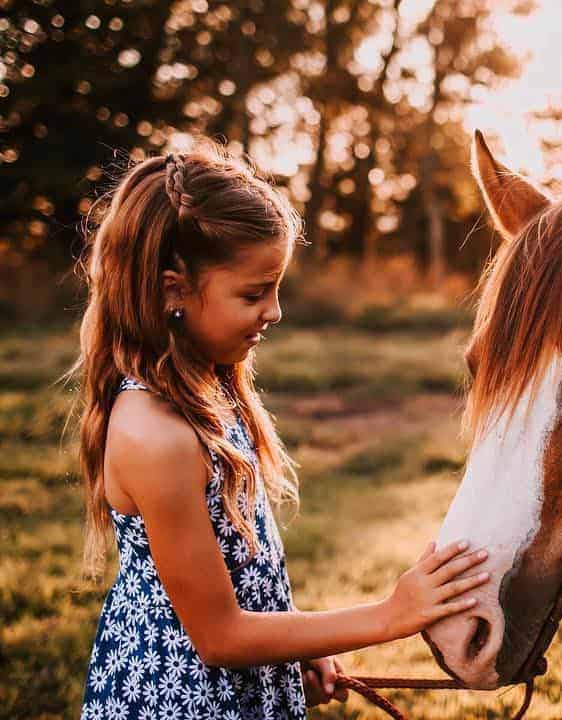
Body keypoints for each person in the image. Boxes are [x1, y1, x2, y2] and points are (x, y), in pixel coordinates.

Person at [69, 145, 490, 719]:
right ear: (173, 292)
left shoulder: (209, 390)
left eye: (275, 289)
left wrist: (298, 647)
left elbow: (235, 577)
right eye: (252, 293)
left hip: (233, 687)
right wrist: (392, 614)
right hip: (179, 701)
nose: (275, 311)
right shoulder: (155, 435)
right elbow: (216, 636)